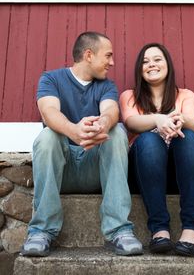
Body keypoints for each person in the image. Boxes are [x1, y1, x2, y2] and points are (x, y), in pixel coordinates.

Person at [20, 31, 143, 257]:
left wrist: (102, 125)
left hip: (94, 170)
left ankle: (119, 230)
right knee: (48, 136)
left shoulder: (106, 85)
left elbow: (111, 111)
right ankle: (41, 231)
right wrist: (74, 131)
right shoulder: (51, 79)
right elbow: (49, 112)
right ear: (89, 55)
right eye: (108, 56)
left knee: (117, 132)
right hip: (62, 171)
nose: (112, 62)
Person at [119, 43, 194, 257]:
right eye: (145, 62)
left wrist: (181, 120)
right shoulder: (129, 96)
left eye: (157, 59)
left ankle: (192, 229)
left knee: (191, 138)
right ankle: (159, 229)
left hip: (178, 175)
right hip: (144, 174)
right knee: (148, 139)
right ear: (140, 69)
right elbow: (131, 123)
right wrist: (158, 119)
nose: (151, 65)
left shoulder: (185, 95)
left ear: (168, 64)